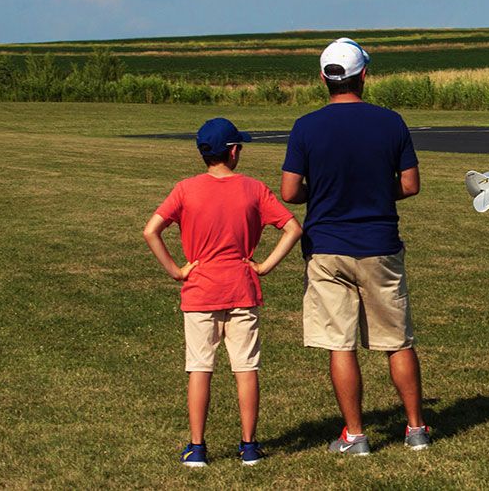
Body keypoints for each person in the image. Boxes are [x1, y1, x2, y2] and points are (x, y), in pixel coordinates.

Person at [280, 38, 430, 455]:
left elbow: (290, 191)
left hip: (327, 246)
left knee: (340, 343)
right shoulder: (391, 122)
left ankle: (355, 435)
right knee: (397, 340)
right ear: (363, 75)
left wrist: (327, 192)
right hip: (380, 244)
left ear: (325, 79)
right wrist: (376, 195)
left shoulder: (306, 126)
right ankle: (416, 428)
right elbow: (410, 184)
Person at [143, 117, 302, 467]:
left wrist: (177, 270)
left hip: (200, 292)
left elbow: (151, 230)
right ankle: (248, 446)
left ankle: (197, 448)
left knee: (200, 367)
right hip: (242, 289)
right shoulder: (254, 189)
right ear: (233, 152)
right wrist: (264, 266)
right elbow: (292, 228)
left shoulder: (185, 189)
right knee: (246, 368)